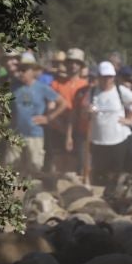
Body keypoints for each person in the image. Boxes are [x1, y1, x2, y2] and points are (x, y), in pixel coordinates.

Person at [3, 52, 58, 180]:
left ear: (33, 71)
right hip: (16, 134)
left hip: (35, 134)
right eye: (20, 69)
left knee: (34, 168)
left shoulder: (42, 88)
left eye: (25, 70)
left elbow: (62, 103)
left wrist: (48, 118)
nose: (21, 73)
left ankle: (33, 192)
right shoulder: (13, 88)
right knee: (12, 168)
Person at [83, 61, 132, 187]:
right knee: (100, 173)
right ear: (98, 77)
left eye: (110, 77)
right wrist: (87, 111)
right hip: (98, 140)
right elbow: (84, 112)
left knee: (117, 173)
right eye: (104, 77)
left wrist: (130, 120)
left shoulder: (120, 90)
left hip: (118, 139)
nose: (107, 80)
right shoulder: (92, 92)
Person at [45, 48, 87, 177]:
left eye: (77, 62)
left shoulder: (85, 85)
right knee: (56, 164)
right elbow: (50, 107)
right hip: (58, 127)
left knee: (75, 165)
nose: (73, 65)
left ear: (81, 65)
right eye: (70, 62)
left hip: (79, 130)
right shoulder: (56, 84)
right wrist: (60, 125)